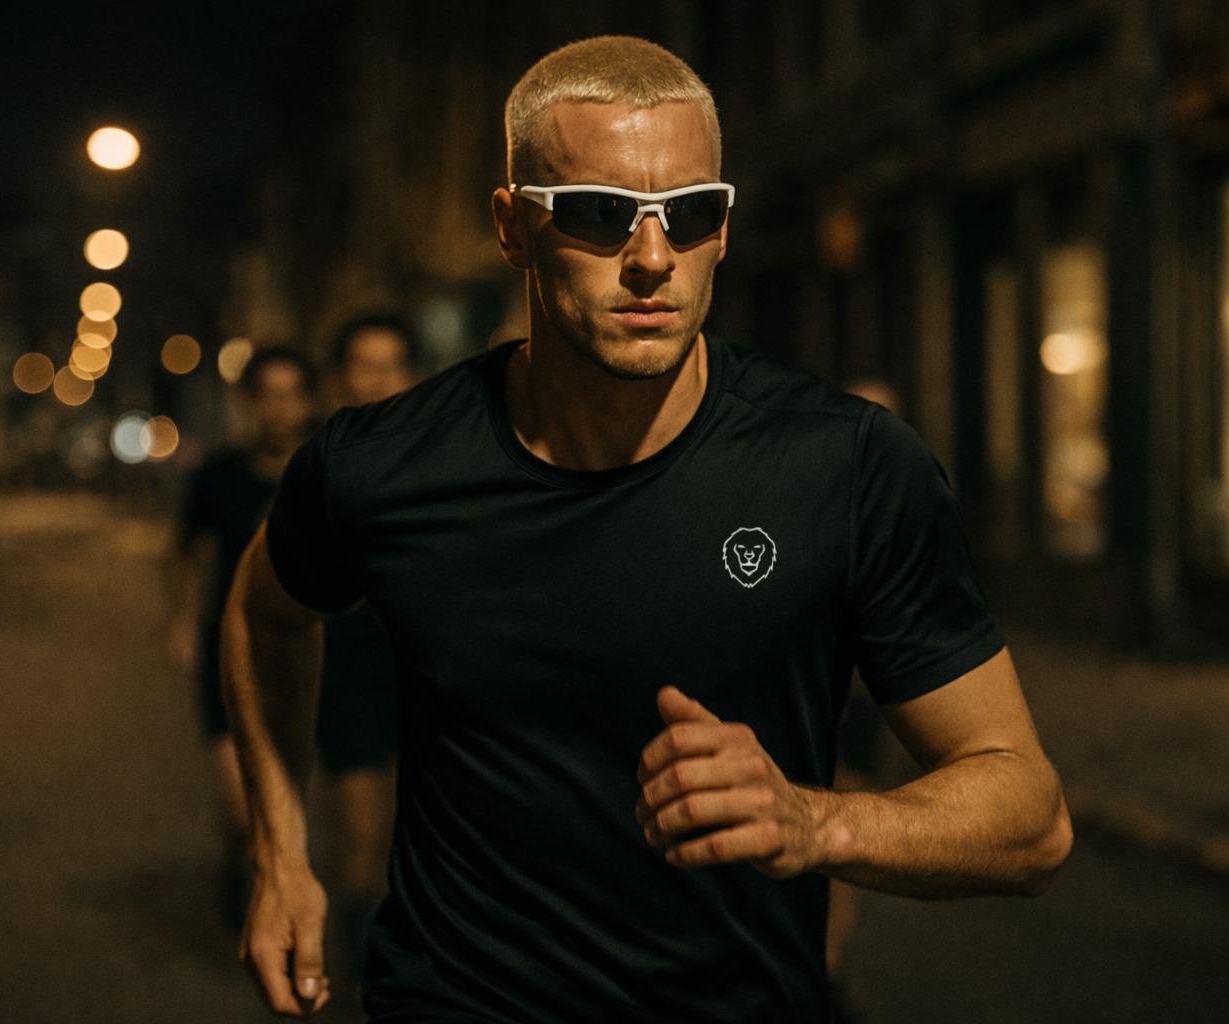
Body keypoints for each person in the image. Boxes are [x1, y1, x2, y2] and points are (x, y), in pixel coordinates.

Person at [221, 36, 1073, 1022]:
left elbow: (1032, 817)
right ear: (512, 227)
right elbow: (262, 612)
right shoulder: (382, 462)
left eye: (692, 214)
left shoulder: (844, 466)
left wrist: (816, 821)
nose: (653, 260)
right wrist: (280, 855)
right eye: (598, 215)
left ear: (723, 226)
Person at [169, 346, 319, 926]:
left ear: (307, 400)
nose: (279, 409)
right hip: (232, 647)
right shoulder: (219, 475)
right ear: (249, 403)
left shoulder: (326, 466)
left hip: (313, 644)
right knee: (240, 803)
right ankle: (244, 868)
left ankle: (294, 887)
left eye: (291, 395)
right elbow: (183, 551)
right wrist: (181, 617)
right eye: (266, 396)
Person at [316, 315, 420, 981]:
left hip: (425, 674)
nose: (379, 378)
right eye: (364, 363)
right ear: (339, 378)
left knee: (412, 836)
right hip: (348, 672)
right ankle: (361, 956)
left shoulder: (447, 457)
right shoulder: (321, 466)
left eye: (392, 363)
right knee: (358, 842)